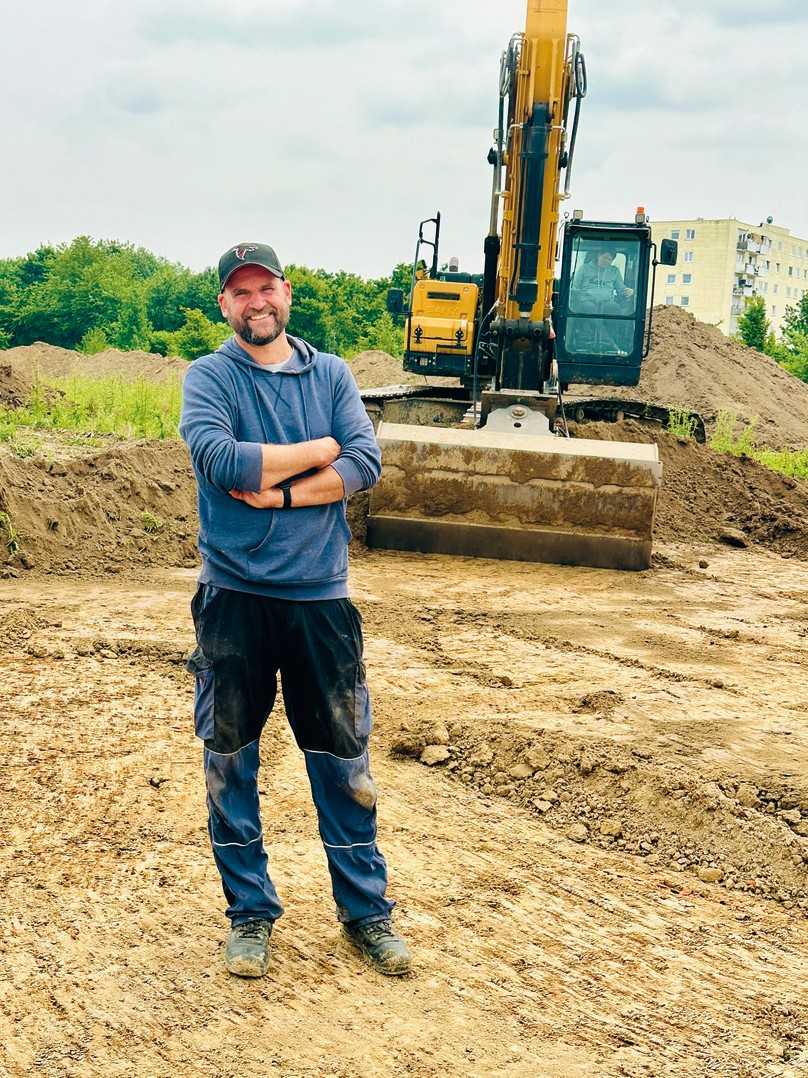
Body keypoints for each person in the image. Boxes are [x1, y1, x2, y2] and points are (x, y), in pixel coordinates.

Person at [179, 242, 411, 979]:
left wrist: (279, 490)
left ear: (287, 293)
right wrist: (320, 449)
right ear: (226, 304)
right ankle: (249, 914)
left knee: (344, 763)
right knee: (230, 761)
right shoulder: (208, 377)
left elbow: (364, 464)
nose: (256, 303)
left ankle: (366, 914)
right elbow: (221, 459)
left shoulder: (333, 374)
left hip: (320, 599)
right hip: (234, 599)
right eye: (240, 293)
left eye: (266, 289)